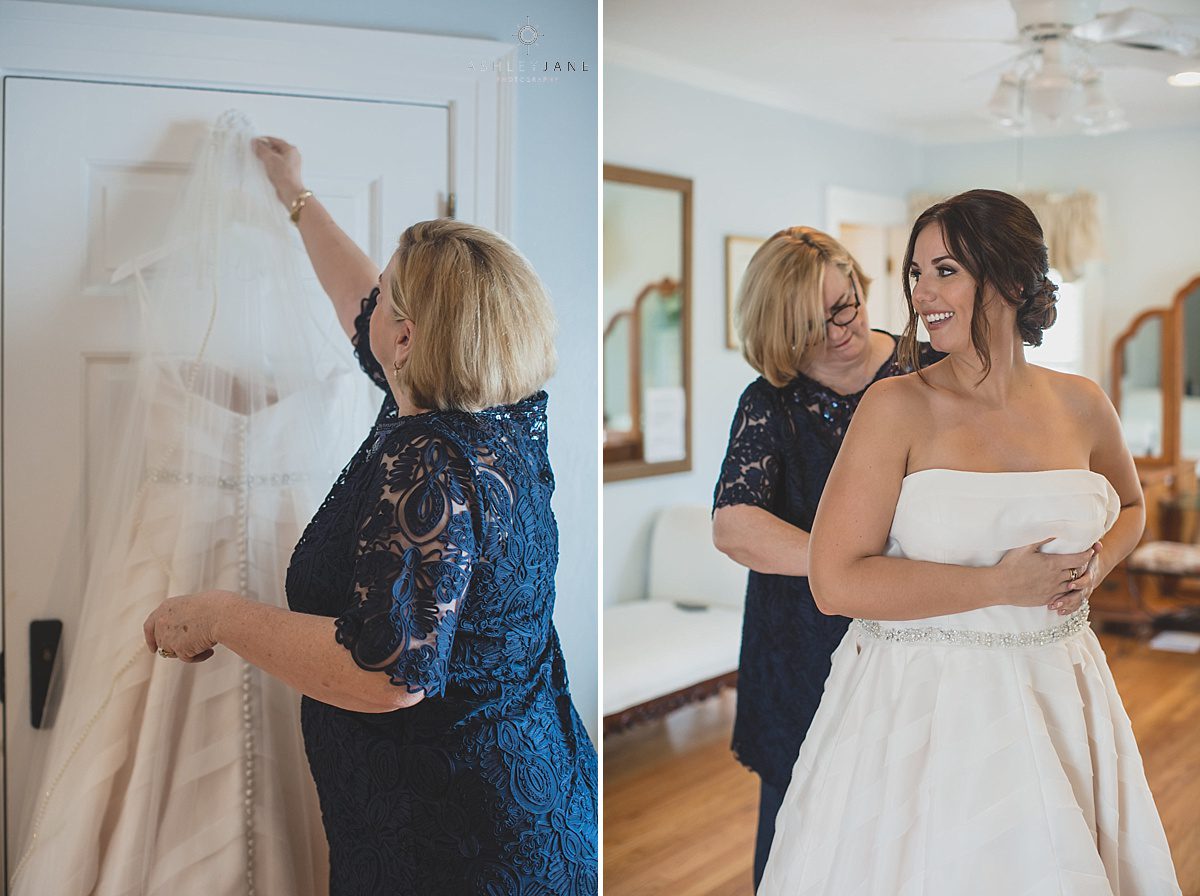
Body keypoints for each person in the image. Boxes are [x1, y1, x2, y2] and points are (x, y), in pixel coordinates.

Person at [143, 137, 598, 895]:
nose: (370, 305)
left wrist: (219, 614)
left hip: (450, 840)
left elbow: (387, 671)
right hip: (532, 789)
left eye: (387, 296)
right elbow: (361, 303)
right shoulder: (501, 418)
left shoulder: (427, 459)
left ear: (408, 338)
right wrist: (296, 196)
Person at [758, 190, 1179, 894]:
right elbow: (836, 582)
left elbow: (1130, 505)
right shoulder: (895, 407)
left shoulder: (1083, 402)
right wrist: (999, 586)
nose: (922, 292)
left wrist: (1100, 562)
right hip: (925, 706)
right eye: (915, 274)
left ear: (1013, 280)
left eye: (945, 269)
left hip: (1061, 686)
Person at [712, 226, 956, 886]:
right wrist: (843, 563)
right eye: (812, 323)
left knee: (909, 805)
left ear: (860, 284)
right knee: (801, 818)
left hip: (916, 629)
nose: (838, 329)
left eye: (844, 305)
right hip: (798, 641)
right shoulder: (770, 402)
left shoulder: (929, 372)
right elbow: (734, 524)